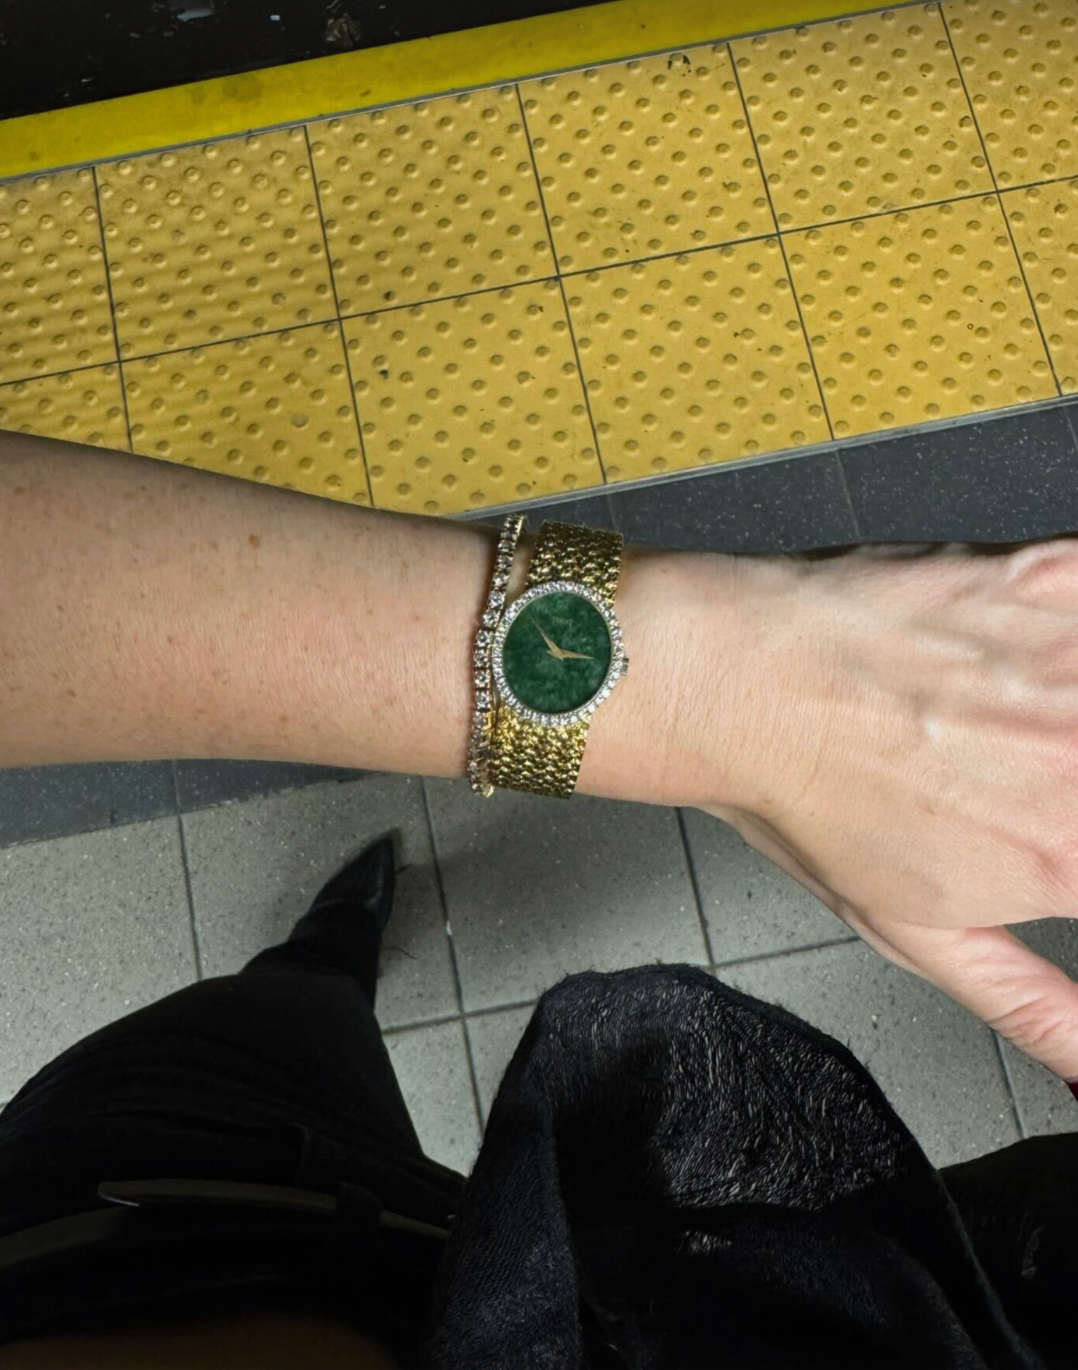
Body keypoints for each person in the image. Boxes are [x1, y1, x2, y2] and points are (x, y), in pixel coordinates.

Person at [0, 428, 1075, 1365]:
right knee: (295, 1009)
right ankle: (330, 955)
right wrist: (713, 683)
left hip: (126, 1209)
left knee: (277, 1013)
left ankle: (327, 954)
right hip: (523, 1249)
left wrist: (718, 679)